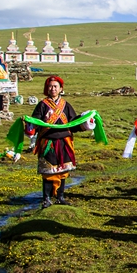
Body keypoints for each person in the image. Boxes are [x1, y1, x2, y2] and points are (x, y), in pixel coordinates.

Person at [27, 75, 94, 207]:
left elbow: (73, 124)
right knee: (48, 170)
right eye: (50, 86)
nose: (53, 89)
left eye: (55, 86)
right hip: (48, 142)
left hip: (64, 142)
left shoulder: (66, 105)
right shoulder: (42, 105)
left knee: (62, 170)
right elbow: (34, 122)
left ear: (61, 89)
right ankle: (46, 198)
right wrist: (31, 124)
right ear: (47, 89)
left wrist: (85, 121)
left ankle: (60, 197)